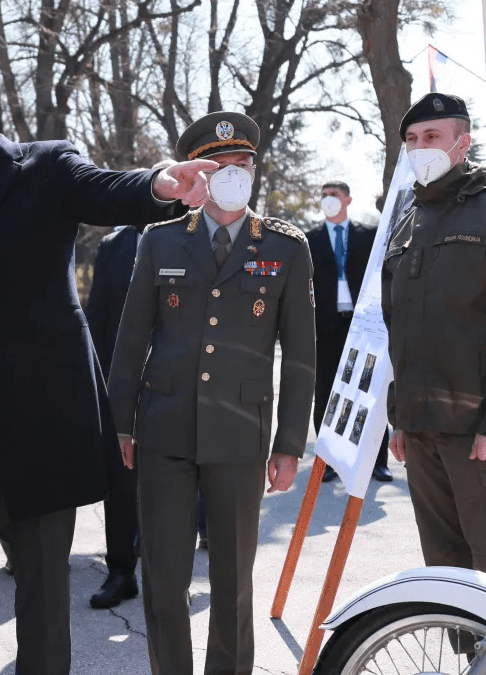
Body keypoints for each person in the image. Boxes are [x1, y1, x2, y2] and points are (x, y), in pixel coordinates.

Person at [0, 64, 211, 675]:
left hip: (40, 412)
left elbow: (108, 188)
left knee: (41, 583)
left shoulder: (46, 167)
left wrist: (164, 182)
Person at [107, 111, 314, 675]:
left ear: (254, 171)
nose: (230, 173)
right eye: (217, 165)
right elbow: (130, 341)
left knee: (232, 581)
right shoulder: (161, 241)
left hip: (240, 433)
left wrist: (290, 442)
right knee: (165, 580)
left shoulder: (287, 247)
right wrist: (121, 424)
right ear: (195, 178)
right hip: (164, 427)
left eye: (240, 163)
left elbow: (300, 356)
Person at [383, 92, 486, 583]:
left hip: (475, 432)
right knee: (445, 570)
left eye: (432, 137)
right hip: (420, 429)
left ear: (461, 144)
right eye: (411, 139)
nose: (419, 147)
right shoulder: (406, 219)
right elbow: (396, 325)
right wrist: (398, 416)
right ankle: (465, 658)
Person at [304, 181, 388, 483]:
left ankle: (376, 461)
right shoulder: (308, 239)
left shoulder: (368, 237)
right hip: (326, 328)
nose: (328, 200)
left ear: (348, 199)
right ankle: (326, 461)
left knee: (367, 394)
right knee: (325, 393)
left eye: (334, 196)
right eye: (324, 196)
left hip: (362, 328)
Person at [84, 225, 141, 609]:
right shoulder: (114, 245)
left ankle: (172, 578)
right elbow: (97, 316)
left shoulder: (194, 234)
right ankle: (120, 573)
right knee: (120, 483)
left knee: (175, 485)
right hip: (120, 382)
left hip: (178, 384)